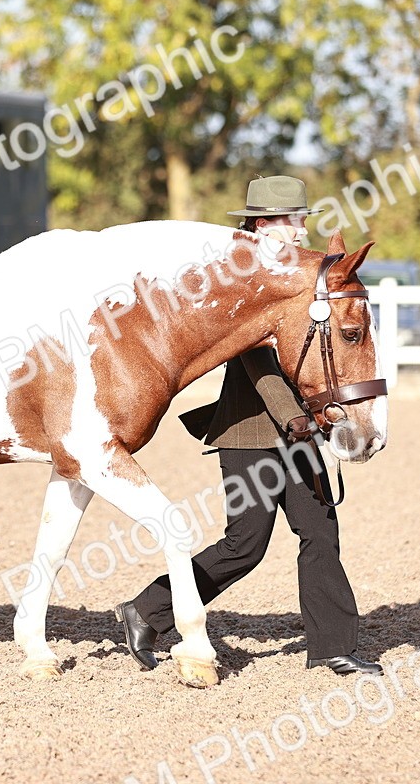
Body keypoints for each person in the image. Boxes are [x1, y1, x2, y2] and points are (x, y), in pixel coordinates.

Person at [114, 176, 382, 677]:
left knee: (320, 533)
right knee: (245, 546)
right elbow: (257, 366)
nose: (301, 230)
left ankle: (332, 647)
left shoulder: (299, 280)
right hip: (249, 433)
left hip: (299, 433)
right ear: (263, 225)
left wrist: (321, 416)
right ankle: (147, 610)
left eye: (302, 220)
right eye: (292, 221)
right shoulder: (246, 284)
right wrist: (297, 420)